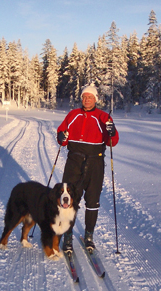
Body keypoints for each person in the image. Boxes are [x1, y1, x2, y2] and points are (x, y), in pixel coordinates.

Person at [57, 83, 119, 253]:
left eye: (90, 97)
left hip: (95, 163)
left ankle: (89, 236)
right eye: (84, 97)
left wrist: (112, 132)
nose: (87, 100)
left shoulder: (103, 117)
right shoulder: (73, 115)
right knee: (69, 200)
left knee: (92, 201)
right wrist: (61, 136)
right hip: (74, 162)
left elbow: (112, 141)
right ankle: (68, 236)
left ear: (95, 99)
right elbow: (62, 136)